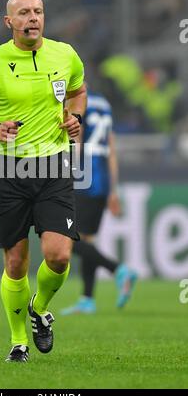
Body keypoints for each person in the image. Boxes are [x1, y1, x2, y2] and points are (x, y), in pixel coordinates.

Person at [0, 0, 86, 362]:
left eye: (39, 11)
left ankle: (38, 309)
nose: (33, 18)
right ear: (8, 22)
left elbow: (78, 92)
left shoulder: (65, 55)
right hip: (7, 167)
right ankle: (18, 341)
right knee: (16, 262)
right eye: (24, 13)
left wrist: (76, 117)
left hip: (52, 165)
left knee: (59, 255)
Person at [61, 91, 138, 315]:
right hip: (102, 180)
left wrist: (66, 175)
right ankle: (87, 299)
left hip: (83, 179)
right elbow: (111, 149)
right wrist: (113, 190)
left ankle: (118, 269)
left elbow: (78, 137)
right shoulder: (103, 103)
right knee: (86, 239)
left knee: (65, 239)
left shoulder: (77, 102)